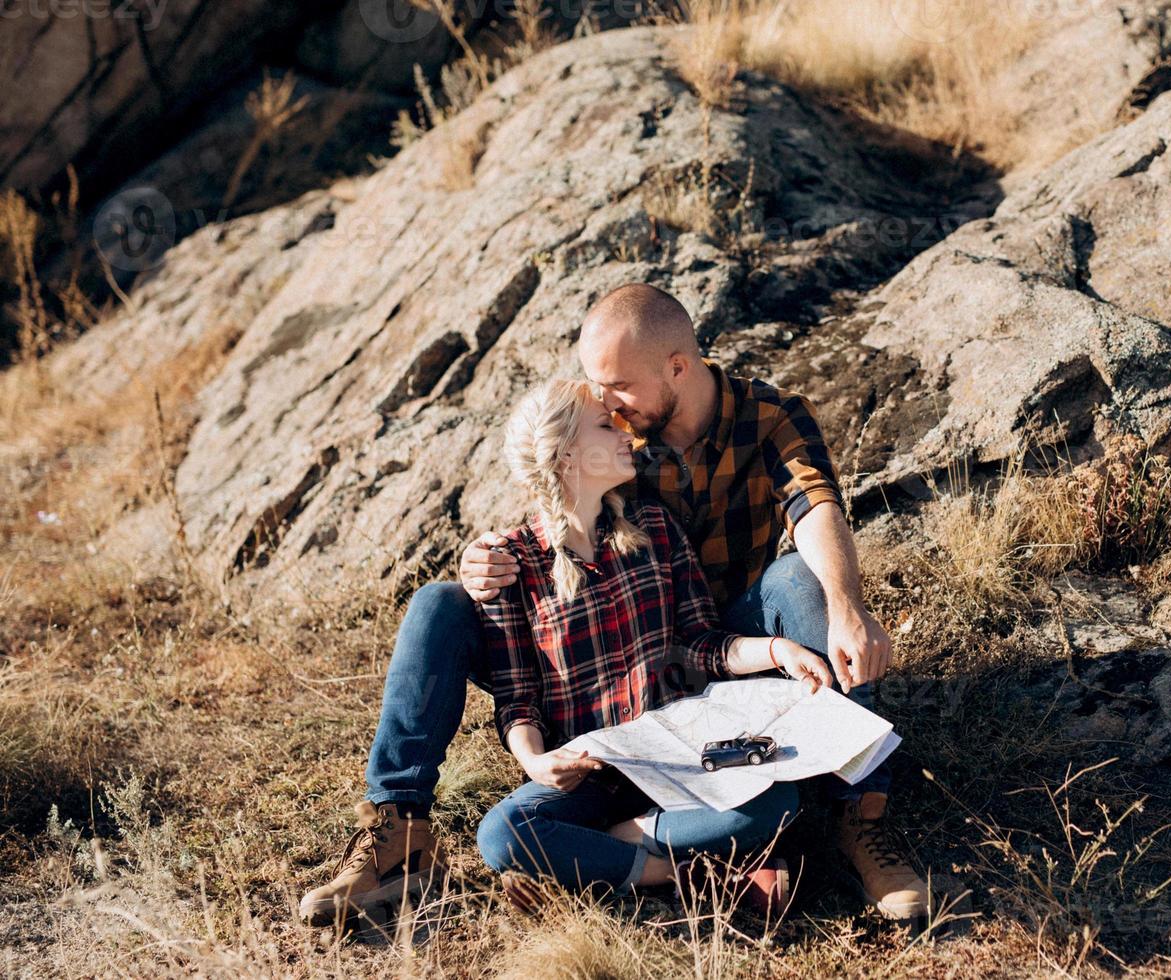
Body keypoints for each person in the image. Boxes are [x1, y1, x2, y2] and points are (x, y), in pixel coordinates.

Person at [460, 283, 931, 921]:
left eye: (616, 386)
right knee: (504, 821)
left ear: (676, 368)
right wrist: (484, 563)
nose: (607, 404)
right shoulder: (618, 452)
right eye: (596, 393)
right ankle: (691, 864)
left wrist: (844, 612)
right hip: (616, 721)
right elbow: (558, 516)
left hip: (716, 653)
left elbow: (815, 504)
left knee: (801, 582)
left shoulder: (762, 422)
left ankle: (859, 815)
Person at [297, 378, 834, 924]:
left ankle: (611, 850)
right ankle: (675, 875)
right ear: (564, 454)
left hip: (676, 758)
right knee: (504, 834)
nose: (624, 432)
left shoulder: (654, 528)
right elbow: (517, 696)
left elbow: (700, 644)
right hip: (591, 773)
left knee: (775, 806)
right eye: (606, 426)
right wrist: (534, 761)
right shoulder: (512, 563)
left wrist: (776, 649)